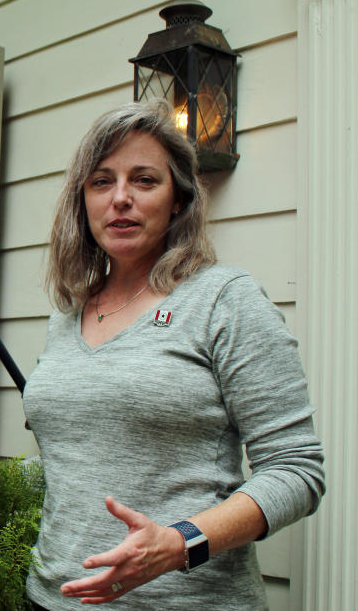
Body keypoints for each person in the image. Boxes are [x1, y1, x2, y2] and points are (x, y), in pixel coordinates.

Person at [22, 101, 325, 610]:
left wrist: (180, 542)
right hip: (52, 598)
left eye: (144, 180)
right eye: (101, 181)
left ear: (179, 200)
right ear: (83, 200)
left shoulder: (223, 300)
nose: (121, 198)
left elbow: (297, 471)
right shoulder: (68, 315)